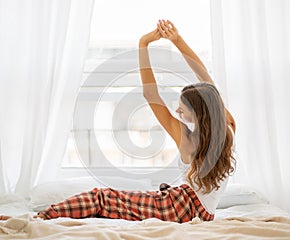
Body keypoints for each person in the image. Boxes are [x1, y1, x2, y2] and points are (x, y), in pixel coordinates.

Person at [0, 20, 235, 223]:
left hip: (178, 208)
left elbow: (151, 95)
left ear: (199, 114)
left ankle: (39, 218)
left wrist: (144, 44)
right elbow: (205, 78)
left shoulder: (187, 139)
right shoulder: (228, 129)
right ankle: (52, 215)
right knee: (113, 204)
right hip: (199, 212)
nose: (177, 112)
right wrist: (177, 40)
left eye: (182, 111)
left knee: (101, 197)